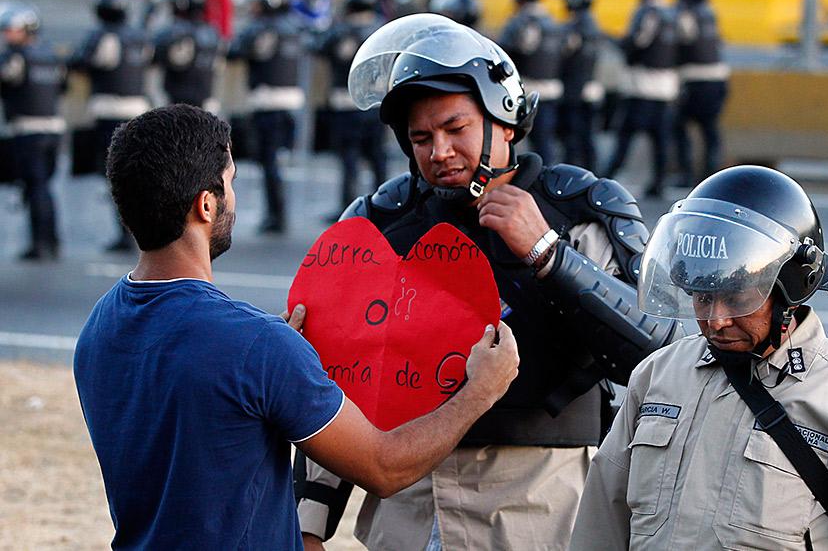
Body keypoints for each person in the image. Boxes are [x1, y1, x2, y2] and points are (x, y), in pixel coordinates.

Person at [294, 13, 682, 551]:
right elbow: (332, 379)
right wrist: (309, 524)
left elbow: (663, 352)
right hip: (407, 499)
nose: (440, 152)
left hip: (536, 504)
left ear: (504, 120)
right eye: (421, 137)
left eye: (456, 129)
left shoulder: (581, 209)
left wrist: (548, 253)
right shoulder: (380, 223)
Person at [73, 103, 520, 549]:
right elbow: (385, 469)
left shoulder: (100, 327)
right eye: (230, 183)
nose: (234, 198)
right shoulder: (256, 345)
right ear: (205, 205)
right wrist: (481, 390)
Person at [569, 165, 828, 550]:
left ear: (789, 291)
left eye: (737, 299)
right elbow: (601, 524)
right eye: (702, 297)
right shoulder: (658, 376)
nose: (716, 320)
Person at [70, 0, 152, 251]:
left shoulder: (105, 36)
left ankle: (126, 232)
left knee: (117, 177)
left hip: (110, 111)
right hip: (139, 109)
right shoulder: (139, 36)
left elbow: (84, 61)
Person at [228, 0, 303, 234]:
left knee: (269, 161)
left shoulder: (260, 28)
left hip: (266, 103)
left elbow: (235, 51)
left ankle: (276, 215)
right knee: (278, 161)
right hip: (291, 103)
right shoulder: (292, 28)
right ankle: (278, 212)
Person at [311, 0, 386, 215]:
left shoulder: (341, 31)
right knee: (377, 157)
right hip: (376, 104)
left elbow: (318, 45)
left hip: (346, 103)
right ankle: (385, 205)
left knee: (349, 158)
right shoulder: (381, 29)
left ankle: (349, 207)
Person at [603, 0, 678, 198]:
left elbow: (635, 44)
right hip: (667, 87)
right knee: (660, 141)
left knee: (625, 136)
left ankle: (606, 178)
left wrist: (612, 40)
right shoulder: (671, 12)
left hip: (642, 86)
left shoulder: (648, 11)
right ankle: (658, 183)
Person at [0, 2, 67, 261]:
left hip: (28, 130)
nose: (7, 35)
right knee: (44, 186)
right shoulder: (51, 55)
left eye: (12, 29)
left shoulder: (16, 58)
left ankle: (41, 243)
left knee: (36, 186)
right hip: (54, 129)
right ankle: (51, 240)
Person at [496, 0, 564, 164]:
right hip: (551, 90)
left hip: (524, 91)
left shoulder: (520, 22)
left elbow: (503, 54)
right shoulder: (551, 21)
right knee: (545, 142)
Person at [671, 0, 729, 187]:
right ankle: (711, 175)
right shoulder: (709, 13)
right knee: (710, 130)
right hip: (718, 78)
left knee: (679, 127)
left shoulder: (685, 14)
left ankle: (687, 173)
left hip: (695, 79)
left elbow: (680, 43)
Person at [550, 0, 604, 172]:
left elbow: (564, 56)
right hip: (588, 85)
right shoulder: (591, 25)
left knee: (573, 136)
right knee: (586, 136)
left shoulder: (575, 27)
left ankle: (572, 172)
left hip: (574, 88)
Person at [151, 0, 223, 111]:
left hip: (177, 102)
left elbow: (153, 55)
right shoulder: (212, 32)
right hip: (206, 101)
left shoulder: (174, 32)